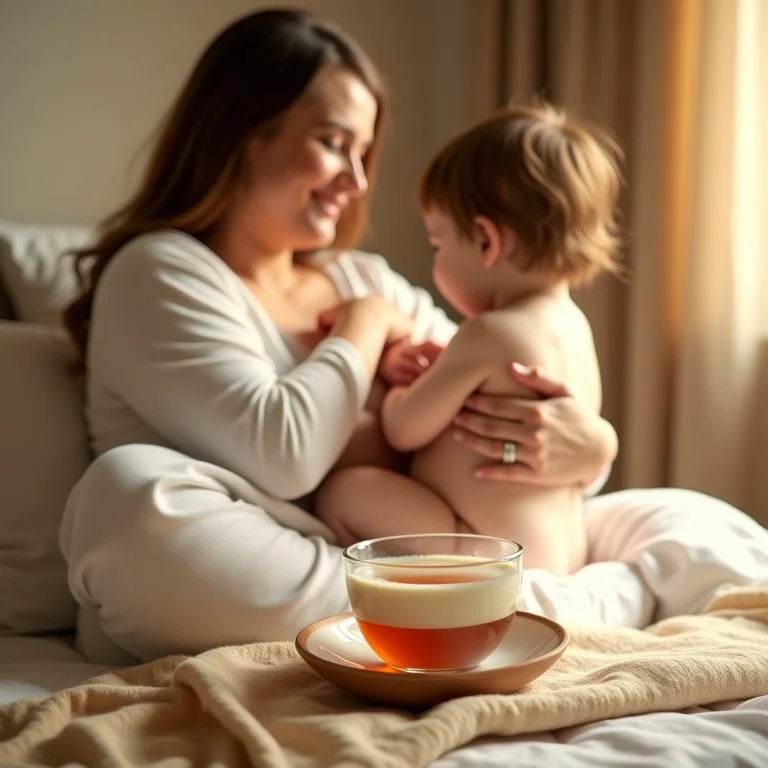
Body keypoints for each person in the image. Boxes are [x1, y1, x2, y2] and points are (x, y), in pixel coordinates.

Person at [57, 8, 765, 666]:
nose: (358, 180)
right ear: (242, 133)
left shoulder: (362, 275)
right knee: (127, 500)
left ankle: (472, 614)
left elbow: (497, 402)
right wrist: (364, 330)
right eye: (334, 144)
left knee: (686, 516)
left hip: (414, 551)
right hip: (268, 545)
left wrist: (595, 448)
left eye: (365, 152)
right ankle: (548, 613)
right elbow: (283, 457)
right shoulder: (163, 269)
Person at [316, 104, 622, 576]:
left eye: (438, 245)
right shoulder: (575, 327)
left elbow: (403, 428)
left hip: (484, 552)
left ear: (485, 242)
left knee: (345, 491)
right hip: (563, 554)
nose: (436, 260)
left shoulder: (489, 333)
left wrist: (399, 387)